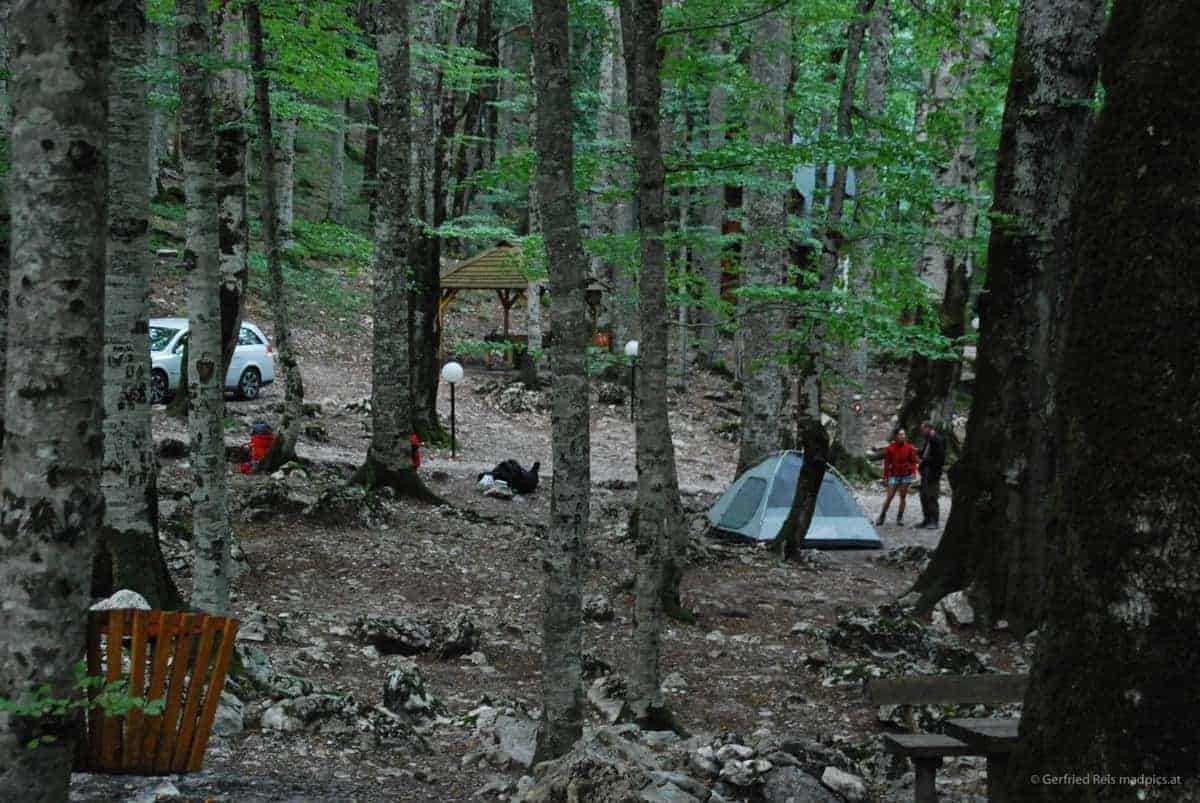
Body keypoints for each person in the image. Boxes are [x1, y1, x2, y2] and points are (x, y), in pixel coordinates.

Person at [877, 428, 918, 525]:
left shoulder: (909, 447)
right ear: (896, 436)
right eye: (900, 434)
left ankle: (900, 518)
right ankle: (882, 516)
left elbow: (913, 461)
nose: (902, 436)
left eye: (903, 434)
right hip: (894, 475)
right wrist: (885, 477)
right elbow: (887, 463)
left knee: (903, 496)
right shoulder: (890, 448)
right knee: (890, 496)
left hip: (906, 475)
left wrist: (913, 472)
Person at [917, 421, 946, 529]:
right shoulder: (928, 439)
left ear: (928, 428)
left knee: (932, 496)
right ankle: (926, 519)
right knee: (923, 496)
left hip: (933, 472)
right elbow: (925, 453)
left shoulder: (937, 440)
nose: (922, 432)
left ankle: (934, 521)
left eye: (923, 429)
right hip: (925, 471)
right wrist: (918, 452)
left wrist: (927, 460)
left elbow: (940, 458)